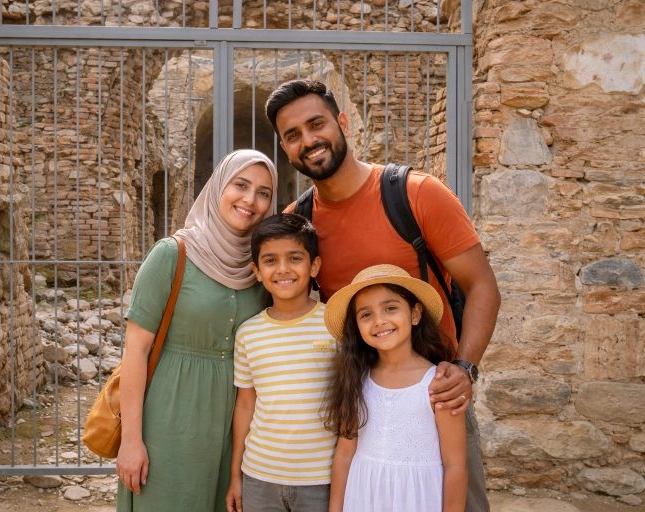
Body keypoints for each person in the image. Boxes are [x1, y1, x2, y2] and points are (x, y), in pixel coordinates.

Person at [266, 79, 499, 511]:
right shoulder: (299, 225)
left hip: (436, 396)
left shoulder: (416, 194)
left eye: (316, 124)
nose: (308, 141)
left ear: (342, 122)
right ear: (285, 148)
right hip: (361, 401)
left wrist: (465, 369)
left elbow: (481, 284)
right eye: (293, 135)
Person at [115, 149, 278, 512]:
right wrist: (131, 441)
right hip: (170, 421)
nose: (250, 200)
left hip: (237, 428)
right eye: (240, 185)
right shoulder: (172, 254)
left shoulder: (262, 270)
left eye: (263, 193)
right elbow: (136, 351)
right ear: (218, 186)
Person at [324, 264, 467, 512]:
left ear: (415, 314)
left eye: (390, 308)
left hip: (418, 501)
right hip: (362, 498)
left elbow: (455, 465)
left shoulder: (438, 383)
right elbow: (345, 453)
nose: (379, 321)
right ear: (357, 327)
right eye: (366, 314)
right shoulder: (356, 380)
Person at [227, 213, 337, 512]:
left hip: (322, 478)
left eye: (294, 258)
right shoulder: (248, 333)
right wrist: (236, 475)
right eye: (270, 260)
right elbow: (245, 405)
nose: (283, 269)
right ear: (257, 271)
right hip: (259, 476)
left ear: (314, 266)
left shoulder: (335, 325)